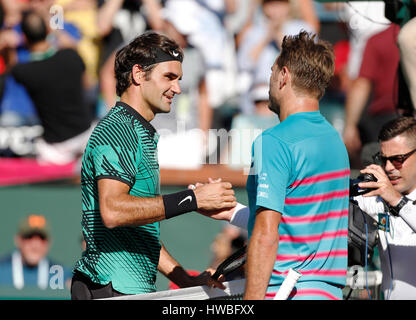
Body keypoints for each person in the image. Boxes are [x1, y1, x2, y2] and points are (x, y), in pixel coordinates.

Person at [71, 31, 237, 300]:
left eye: (179, 79)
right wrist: (193, 199)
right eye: (169, 77)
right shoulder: (119, 129)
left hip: (128, 290)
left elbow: (138, 231)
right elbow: (113, 211)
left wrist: (186, 280)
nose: (178, 88)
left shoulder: (138, 131)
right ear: (138, 74)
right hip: (109, 288)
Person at [202, 31, 350, 300]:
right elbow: (295, 221)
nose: (269, 81)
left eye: (270, 72)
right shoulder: (335, 142)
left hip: (288, 292)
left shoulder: (274, 141)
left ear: (284, 75)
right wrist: (232, 211)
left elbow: (266, 235)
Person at [8, 10, 92, 165]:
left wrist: (10, 38)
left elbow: (11, 64)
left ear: (24, 38)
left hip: (56, 150)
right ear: (47, 31)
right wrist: (55, 30)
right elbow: (71, 46)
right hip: (86, 138)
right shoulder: (70, 56)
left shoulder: (24, 71)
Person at [353, 116, 416, 300]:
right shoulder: (379, 197)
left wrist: (396, 199)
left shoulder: (389, 195)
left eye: (397, 159)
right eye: (383, 159)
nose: (388, 167)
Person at [343, 23, 401, 165]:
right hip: (391, 117)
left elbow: (362, 85)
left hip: (385, 121)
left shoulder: (379, 39)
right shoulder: (379, 40)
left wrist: (350, 126)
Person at [0, 214, 72, 290]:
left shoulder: (61, 275)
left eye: (42, 238)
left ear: (49, 243)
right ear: (18, 240)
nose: (35, 245)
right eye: (29, 237)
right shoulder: (2, 270)